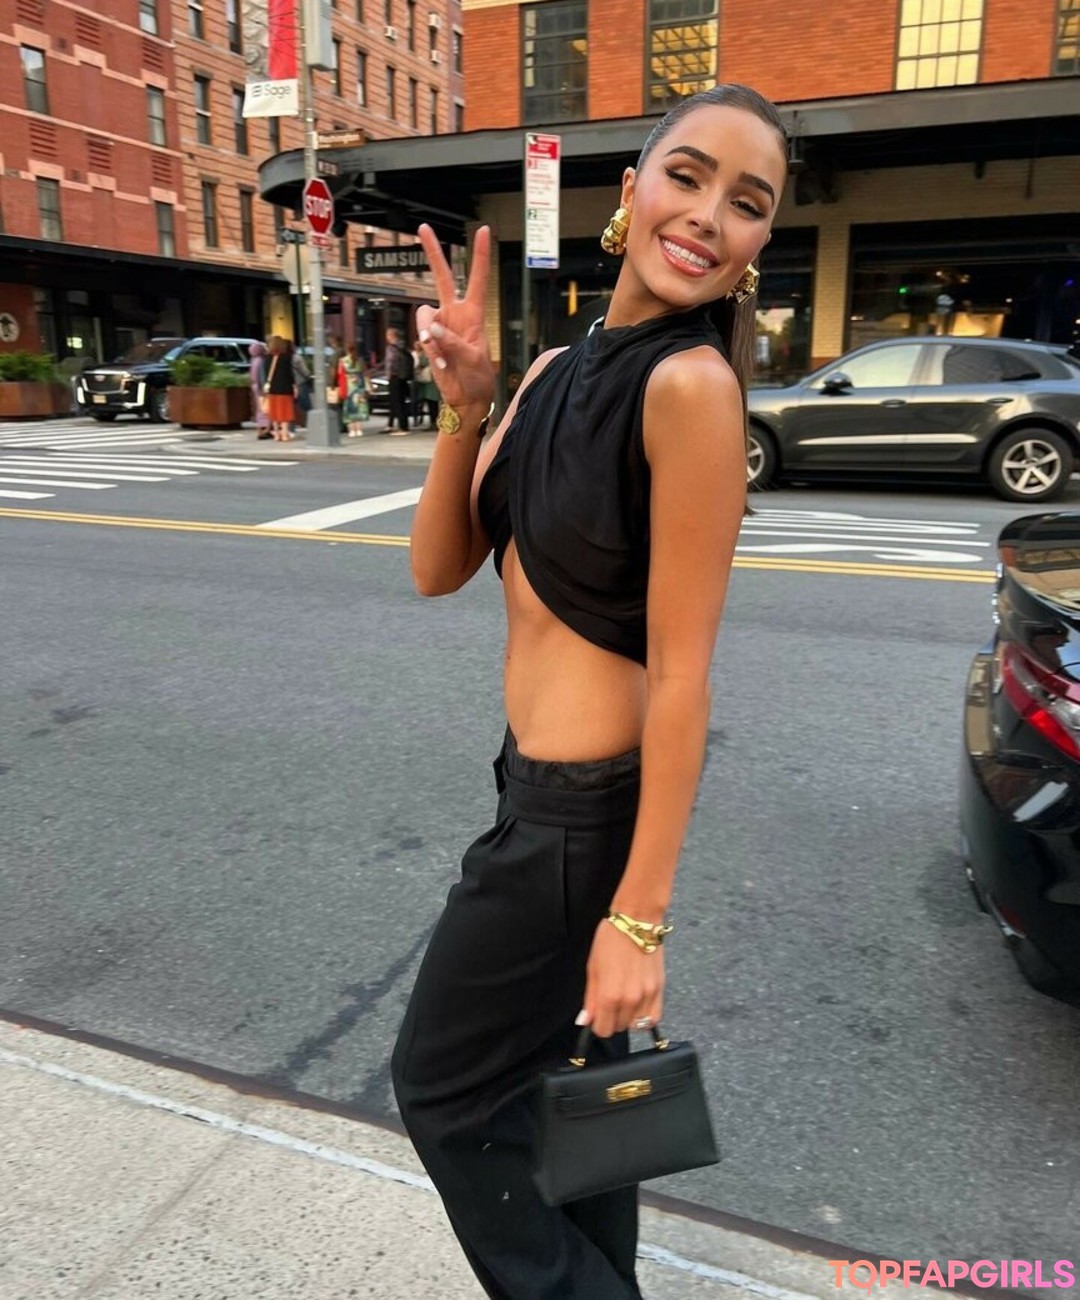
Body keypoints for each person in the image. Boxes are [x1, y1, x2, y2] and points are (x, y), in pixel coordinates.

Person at [390, 85, 789, 1300]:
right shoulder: (555, 370)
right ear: (630, 192)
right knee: (570, 1117)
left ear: (760, 243)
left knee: (444, 1087)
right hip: (533, 800)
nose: (708, 215)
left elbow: (683, 674)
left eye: (748, 202)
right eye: (688, 174)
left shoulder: (691, 388)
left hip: (581, 829)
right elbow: (439, 566)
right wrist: (466, 406)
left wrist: (641, 919)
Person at [264, 334, 297, 441]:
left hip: (272, 389)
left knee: (274, 412)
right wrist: (294, 385)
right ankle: (285, 433)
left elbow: (266, 373)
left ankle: (277, 434)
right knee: (285, 412)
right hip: (285, 389)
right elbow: (289, 374)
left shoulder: (267, 358)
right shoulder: (286, 357)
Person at [383, 326, 411, 435]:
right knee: (401, 401)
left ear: (391, 336)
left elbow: (391, 361)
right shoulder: (402, 345)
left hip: (395, 376)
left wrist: (389, 374)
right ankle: (403, 425)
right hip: (403, 376)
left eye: (387, 335)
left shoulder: (391, 348)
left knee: (396, 401)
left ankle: (402, 427)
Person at [338, 342, 369, 437]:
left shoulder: (342, 361)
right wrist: (368, 386)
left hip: (348, 386)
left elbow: (340, 374)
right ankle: (359, 429)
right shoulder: (360, 360)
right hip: (359, 385)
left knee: (349, 408)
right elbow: (365, 373)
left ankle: (352, 430)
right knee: (360, 407)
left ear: (347, 350)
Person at [249, 340, 271, 439]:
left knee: (259, 409)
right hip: (261, 388)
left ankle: (259, 429)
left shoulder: (253, 360)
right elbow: (262, 376)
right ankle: (266, 430)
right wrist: (264, 389)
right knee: (266, 409)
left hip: (255, 387)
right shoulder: (261, 361)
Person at [413, 341, 439, 429]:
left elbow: (422, 364)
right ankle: (434, 422)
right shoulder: (429, 353)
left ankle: (433, 422)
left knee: (432, 403)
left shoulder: (425, 354)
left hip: (429, 382)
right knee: (432, 403)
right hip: (430, 381)